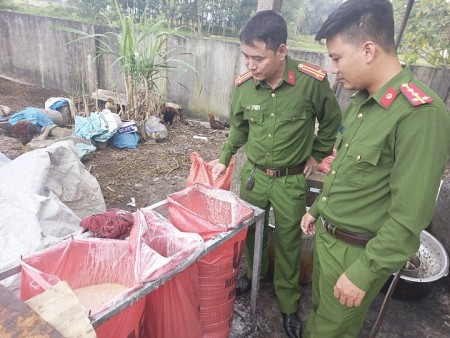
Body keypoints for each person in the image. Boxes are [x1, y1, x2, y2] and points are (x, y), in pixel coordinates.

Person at [300, 0, 450, 337]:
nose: (333, 68)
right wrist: (318, 208)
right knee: (320, 315)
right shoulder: (364, 102)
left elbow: (409, 217)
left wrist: (364, 271)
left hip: (358, 253)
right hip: (328, 237)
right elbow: (344, 171)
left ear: (368, 50)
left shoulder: (420, 115)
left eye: (337, 57)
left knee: (332, 331)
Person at [212, 10, 342, 338]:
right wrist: (224, 157)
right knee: (252, 233)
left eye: (258, 58)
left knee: (288, 240)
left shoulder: (311, 83)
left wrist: (318, 152)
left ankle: (287, 302)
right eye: (245, 57)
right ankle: (255, 276)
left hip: (290, 180)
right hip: (255, 177)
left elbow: (330, 120)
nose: (249, 66)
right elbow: (238, 128)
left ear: (281, 52)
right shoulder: (244, 87)